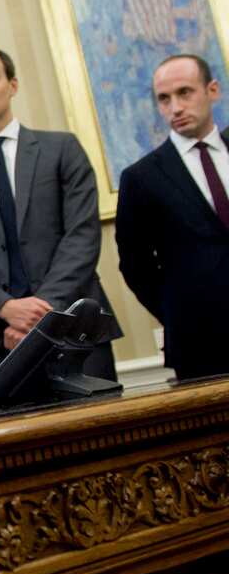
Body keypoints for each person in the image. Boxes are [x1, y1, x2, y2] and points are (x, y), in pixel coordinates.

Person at [0, 45, 121, 387]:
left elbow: (82, 235)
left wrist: (41, 313)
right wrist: (6, 308)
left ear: (13, 85)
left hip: (76, 330)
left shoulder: (62, 149)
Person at [116, 54, 229, 380]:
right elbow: (135, 266)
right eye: (164, 99)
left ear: (212, 90)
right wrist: (179, 314)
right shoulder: (141, 178)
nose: (175, 108)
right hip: (201, 345)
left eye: (185, 93)